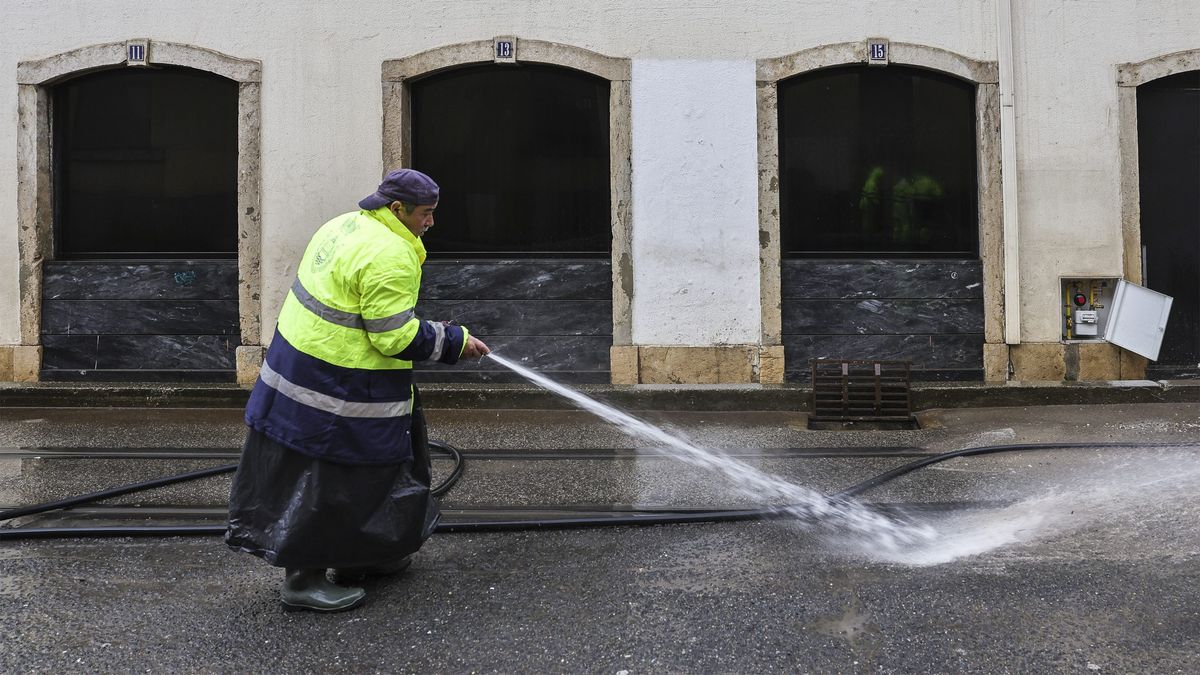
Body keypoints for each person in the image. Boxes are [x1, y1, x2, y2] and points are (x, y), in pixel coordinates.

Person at [225, 169, 489, 612]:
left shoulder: (345, 224)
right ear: (397, 209)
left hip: (304, 367)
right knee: (327, 480)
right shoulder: (389, 255)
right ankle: (304, 581)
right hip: (335, 387)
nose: (431, 223)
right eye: (425, 214)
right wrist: (454, 342)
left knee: (365, 473)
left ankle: (364, 555)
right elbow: (394, 337)